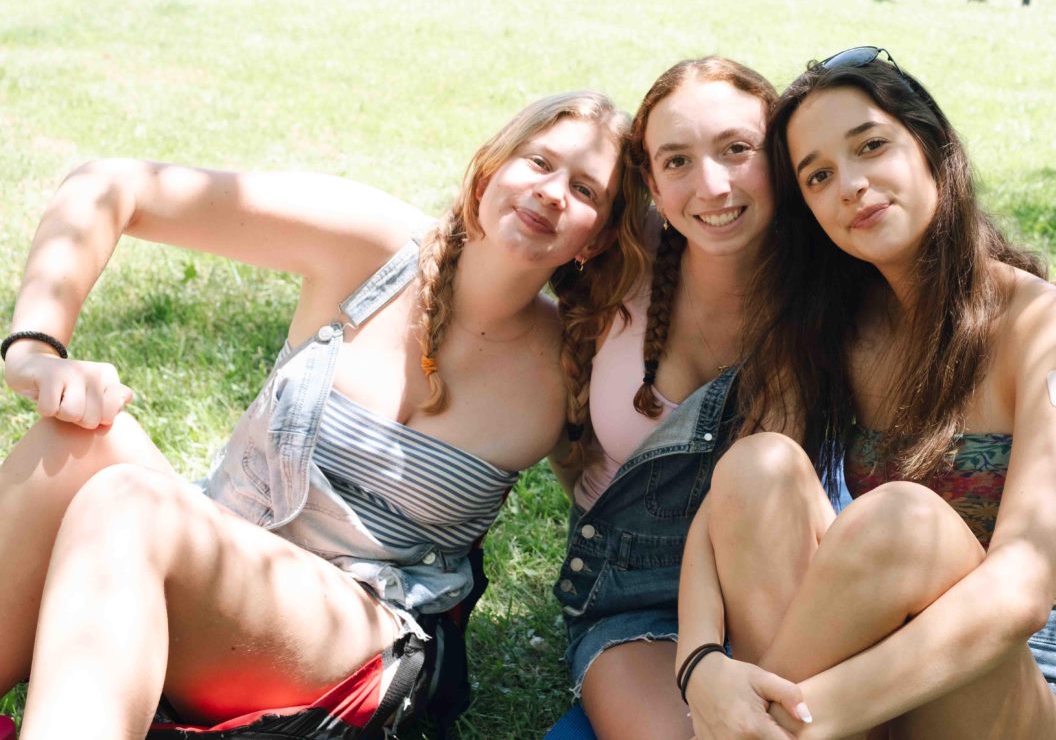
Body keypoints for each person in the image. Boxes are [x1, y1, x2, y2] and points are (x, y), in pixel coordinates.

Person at [0, 92, 631, 737]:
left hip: (357, 631)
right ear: (488, 170)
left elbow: (633, 496)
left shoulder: (580, 365)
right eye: (538, 162)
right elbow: (109, 184)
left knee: (130, 502)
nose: (552, 192)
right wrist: (34, 353)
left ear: (602, 236)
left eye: (585, 190)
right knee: (72, 442)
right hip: (216, 552)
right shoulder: (374, 249)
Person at [550, 57, 1056, 740]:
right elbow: (722, 507)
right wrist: (700, 660)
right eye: (818, 176)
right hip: (876, 692)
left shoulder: (1050, 327)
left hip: (1027, 688)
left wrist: (801, 721)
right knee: (759, 465)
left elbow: (1021, 594)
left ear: (932, 145)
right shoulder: (838, 330)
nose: (850, 186)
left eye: (871, 146)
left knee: (902, 522)